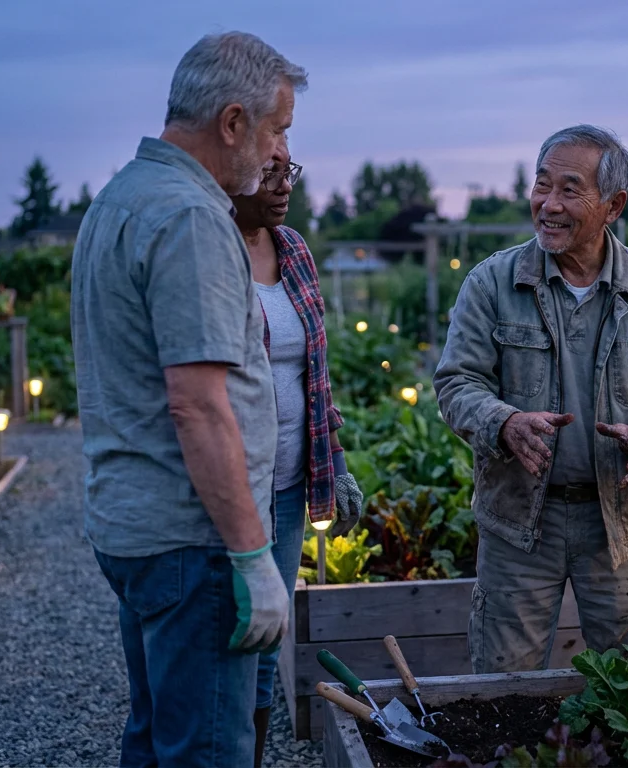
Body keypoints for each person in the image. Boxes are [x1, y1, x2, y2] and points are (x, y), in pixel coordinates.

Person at [70, 32, 307, 767]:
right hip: (193, 541)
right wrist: (251, 557)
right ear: (232, 123)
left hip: (136, 528)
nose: (279, 153)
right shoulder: (193, 219)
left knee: (155, 736)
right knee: (206, 750)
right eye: (276, 130)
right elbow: (198, 405)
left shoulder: (121, 197)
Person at [435, 125, 628, 673]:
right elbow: (456, 383)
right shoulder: (492, 284)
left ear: (614, 205)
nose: (549, 205)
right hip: (519, 522)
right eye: (542, 186)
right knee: (503, 687)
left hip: (621, 527)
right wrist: (504, 422)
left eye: (569, 189)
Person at [228, 153, 365, 766]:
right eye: (271, 172)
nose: (284, 187)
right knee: (225, 642)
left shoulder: (295, 250)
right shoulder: (212, 254)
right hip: (233, 488)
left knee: (266, 643)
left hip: (288, 487)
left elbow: (317, 378)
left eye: (291, 172)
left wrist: (334, 464)